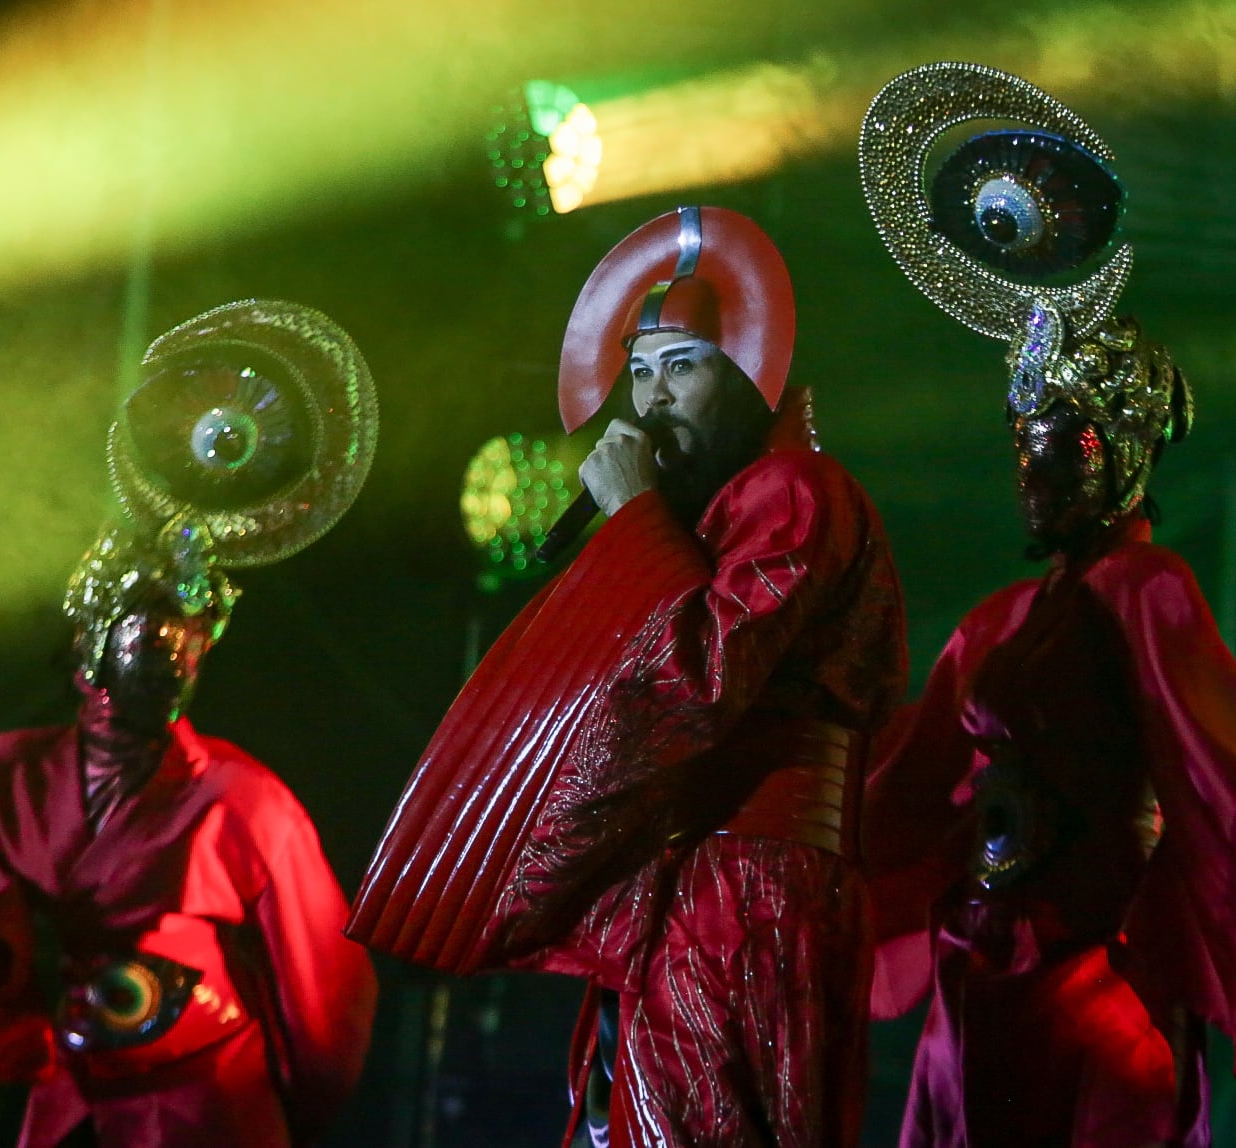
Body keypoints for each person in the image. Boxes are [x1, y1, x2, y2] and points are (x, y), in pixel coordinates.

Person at [348, 205, 909, 1148]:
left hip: (746, 894)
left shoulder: (796, 493)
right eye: (639, 373)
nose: (649, 402)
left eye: (681, 368)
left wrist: (637, 526)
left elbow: (701, 677)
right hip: (695, 892)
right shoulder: (718, 514)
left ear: (752, 376)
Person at [865, 317, 1236, 1147]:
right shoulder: (1007, 619)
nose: (1035, 471)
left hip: (1098, 971)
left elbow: (1218, 784)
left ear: (1124, 454)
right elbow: (912, 780)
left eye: (1066, 445)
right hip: (986, 963)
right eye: (1025, 446)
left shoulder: (1147, 587)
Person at [0, 519, 377, 1147]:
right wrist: (20, 1038)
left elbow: (324, 981)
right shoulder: (8, 779)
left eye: (194, 648)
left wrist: (294, 1108)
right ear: (94, 646)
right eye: (157, 643)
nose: (177, 667)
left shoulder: (244, 800)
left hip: (209, 1099)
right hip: (76, 1094)